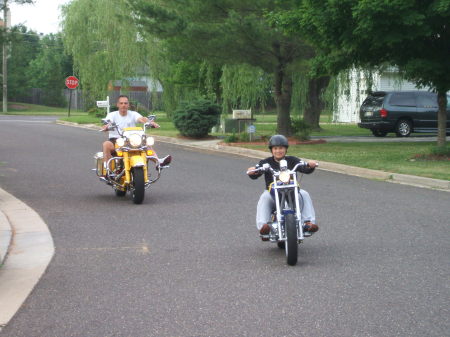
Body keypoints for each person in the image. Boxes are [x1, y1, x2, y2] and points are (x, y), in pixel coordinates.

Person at [247, 134, 319, 239]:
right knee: (264, 197)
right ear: (271, 150)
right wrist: (252, 170)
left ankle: (307, 223)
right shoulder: (266, 162)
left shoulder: (293, 160)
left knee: (304, 193)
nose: (278, 151)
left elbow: (305, 168)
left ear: (286, 149)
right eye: (275, 148)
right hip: (272, 193)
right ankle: (264, 226)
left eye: (281, 148)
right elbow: (256, 172)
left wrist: (310, 165)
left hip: (292, 190)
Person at [100, 95, 160, 172]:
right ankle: (107, 168)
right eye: (121, 103)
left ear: (128, 105)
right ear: (117, 104)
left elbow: (141, 119)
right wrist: (106, 126)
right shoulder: (112, 115)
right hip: (116, 140)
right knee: (106, 144)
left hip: (131, 140)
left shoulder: (133, 114)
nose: (123, 105)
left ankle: (158, 162)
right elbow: (109, 122)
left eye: (125, 103)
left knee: (146, 143)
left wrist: (149, 122)